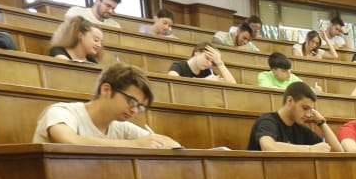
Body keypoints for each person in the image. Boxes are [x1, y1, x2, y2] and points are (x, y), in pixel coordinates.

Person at [31, 63, 181, 149]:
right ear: (106, 90)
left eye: (140, 107)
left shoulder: (121, 128)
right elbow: (69, 141)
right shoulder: (62, 112)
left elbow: (173, 146)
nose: (135, 110)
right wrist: (134, 144)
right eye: (131, 101)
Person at [249, 82, 343, 153]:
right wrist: (309, 149)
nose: (309, 114)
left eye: (310, 110)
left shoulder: (300, 128)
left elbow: (338, 151)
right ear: (290, 101)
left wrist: (322, 123)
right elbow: (268, 147)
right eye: (305, 108)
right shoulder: (267, 121)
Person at [168, 42, 236, 82]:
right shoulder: (179, 66)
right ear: (196, 52)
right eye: (207, 58)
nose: (209, 64)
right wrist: (204, 80)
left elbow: (232, 84)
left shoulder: (207, 71)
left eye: (212, 62)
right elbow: (173, 80)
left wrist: (220, 63)